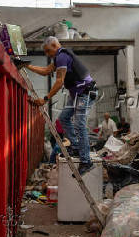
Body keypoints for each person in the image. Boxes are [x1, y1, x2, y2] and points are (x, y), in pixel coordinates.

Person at [21, 36, 98, 176]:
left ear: (55, 45)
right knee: (63, 118)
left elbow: (59, 82)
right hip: (77, 94)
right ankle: (75, 146)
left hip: (85, 93)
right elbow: (45, 71)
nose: (47, 54)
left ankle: (86, 161)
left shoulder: (62, 56)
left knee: (79, 124)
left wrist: (45, 98)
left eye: (48, 51)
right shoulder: (59, 57)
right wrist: (27, 66)